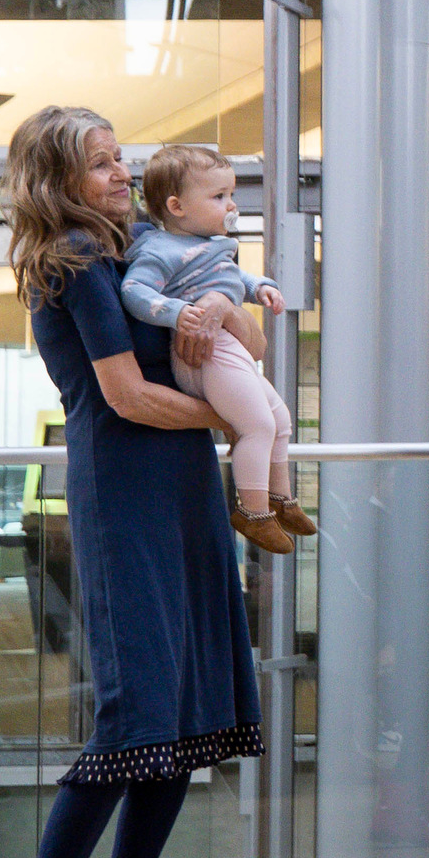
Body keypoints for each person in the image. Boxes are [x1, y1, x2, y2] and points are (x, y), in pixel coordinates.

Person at [0, 106, 263, 858]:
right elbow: (129, 396)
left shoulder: (146, 245)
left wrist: (225, 303)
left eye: (121, 159)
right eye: (100, 164)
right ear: (57, 180)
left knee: (186, 714)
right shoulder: (71, 260)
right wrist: (235, 421)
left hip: (182, 493)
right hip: (125, 498)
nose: (120, 174)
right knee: (134, 718)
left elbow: (251, 337)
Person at [120, 144, 307, 556]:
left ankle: (280, 498)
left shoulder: (213, 247)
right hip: (208, 354)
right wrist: (176, 312)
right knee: (256, 425)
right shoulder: (160, 249)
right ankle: (253, 512)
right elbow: (134, 291)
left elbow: (235, 278)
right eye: (219, 196)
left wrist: (261, 288)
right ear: (177, 206)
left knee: (280, 419)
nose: (231, 206)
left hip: (230, 348)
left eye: (231, 194)